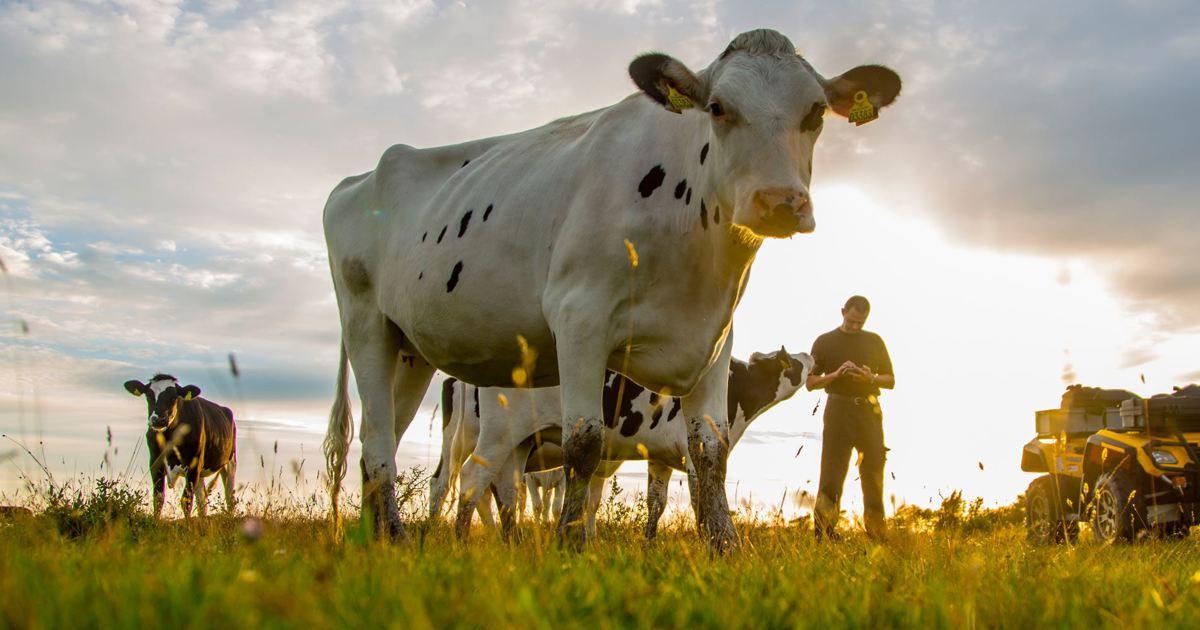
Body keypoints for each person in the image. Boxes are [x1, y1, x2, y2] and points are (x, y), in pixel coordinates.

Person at [806, 295, 895, 539]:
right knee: (831, 478)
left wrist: (871, 379)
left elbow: (891, 380)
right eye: (852, 321)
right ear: (843, 311)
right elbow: (810, 382)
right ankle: (823, 536)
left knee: (873, 477)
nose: (856, 327)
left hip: (869, 413)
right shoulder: (824, 341)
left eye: (861, 323)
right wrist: (834, 375)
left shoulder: (874, 341)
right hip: (837, 412)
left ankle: (877, 538)